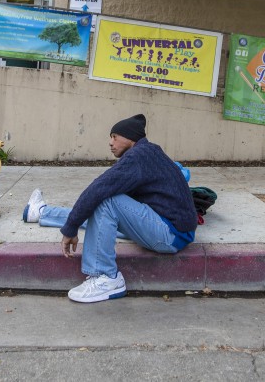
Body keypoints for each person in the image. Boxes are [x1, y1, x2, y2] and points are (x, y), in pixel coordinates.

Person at [22, 114, 197, 303]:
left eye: (115, 137)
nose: (110, 143)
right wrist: (72, 223)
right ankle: (41, 212)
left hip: (170, 234)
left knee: (106, 200)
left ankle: (106, 277)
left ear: (130, 138)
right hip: (164, 226)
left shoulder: (137, 157)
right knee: (100, 212)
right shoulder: (147, 152)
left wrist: (71, 228)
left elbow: (99, 188)